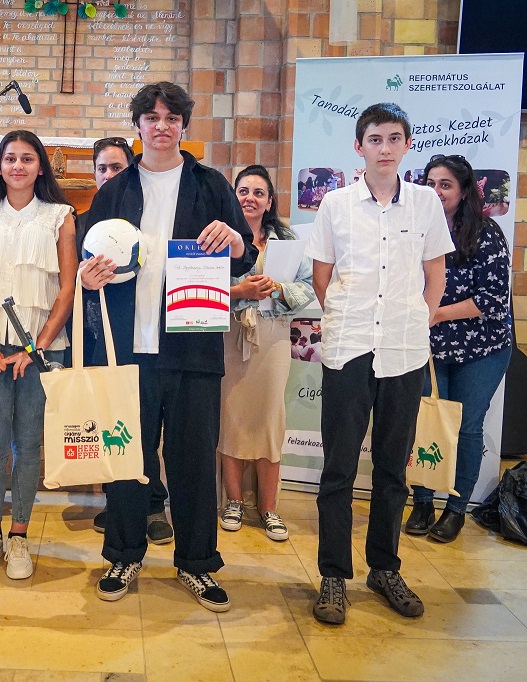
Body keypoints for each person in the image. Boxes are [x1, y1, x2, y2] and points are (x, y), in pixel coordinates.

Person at [79, 82, 257, 609]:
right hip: (127, 351)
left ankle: (197, 564)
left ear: (183, 125)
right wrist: (87, 277)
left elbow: (244, 257)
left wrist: (236, 241)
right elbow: (87, 261)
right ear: (138, 125)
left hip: (192, 350)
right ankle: (124, 555)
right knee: (127, 460)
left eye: (171, 118)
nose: (161, 126)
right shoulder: (114, 190)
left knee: (193, 463)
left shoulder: (210, 184)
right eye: (152, 117)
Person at [306, 103, 452, 625]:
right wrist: (345, 318)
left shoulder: (425, 203)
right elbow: (321, 276)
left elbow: (435, 273)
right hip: (348, 348)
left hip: (404, 349)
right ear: (359, 146)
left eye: (394, 138)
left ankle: (384, 568)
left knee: (392, 468)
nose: (384, 148)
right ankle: (333, 575)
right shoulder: (336, 204)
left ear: (407, 145)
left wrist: (418, 319)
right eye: (375, 139)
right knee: (339, 468)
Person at [0, 130, 77, 580]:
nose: (18, 166)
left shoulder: (60, 216)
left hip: (41, 350)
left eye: (27, 158)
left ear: (40, 167)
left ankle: (20, 535)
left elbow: (66, 288)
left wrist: (37, 346)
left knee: (27, 445)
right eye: (10, 158)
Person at [405, 155, 512, 543]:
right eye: (430, 183)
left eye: (445, 184)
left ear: (464, 191)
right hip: (427, 345)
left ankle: (455, 510)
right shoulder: (413, 228)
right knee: (423, 421)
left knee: (466, 427)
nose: (436, 191)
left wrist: (435, 313)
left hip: (481, 347)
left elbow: (493, 298)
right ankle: (422, 503)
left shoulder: (486, 232)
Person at [79, 137, 173, 545]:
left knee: (144, 430)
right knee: (114, 427)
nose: (108, 175)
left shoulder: (142, 223)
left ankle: (153, 505)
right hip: (99, 339)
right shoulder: (86, 221)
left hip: (144, 339)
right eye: (102, 168)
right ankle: (117, 505)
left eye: (117, 167)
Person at [218, 164, 314, 542]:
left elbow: (308, 286)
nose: (250, 198)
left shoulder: (287, 240)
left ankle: (270, 507)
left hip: (273, 336)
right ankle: (233, 501)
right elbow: (202, 288)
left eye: (259, 192)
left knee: (270, 418)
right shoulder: (219, 236)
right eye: (243, 191)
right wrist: (240, 292)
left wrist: (278, 289)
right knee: (231, 417)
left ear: (270, 201)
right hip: (230, 334)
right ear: (233, 196)